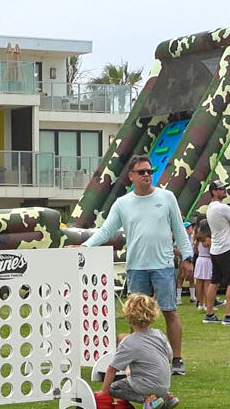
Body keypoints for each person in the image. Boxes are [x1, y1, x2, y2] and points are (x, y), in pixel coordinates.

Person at [81, 153, 192, 376]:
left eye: (149, 172)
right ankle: (137, 360)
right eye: (141, 172)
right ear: (131, 176)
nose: (146, 175)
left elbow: (179, 229)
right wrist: (85, 247)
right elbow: (106, 230)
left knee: (170, 311)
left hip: (163, 266)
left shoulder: (167, 197)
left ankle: (177, 360)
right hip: (137, 267)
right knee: (135, 316)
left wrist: (188, 258)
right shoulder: (122, 204)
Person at [96, 293, 179, 409]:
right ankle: (166, 399)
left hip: (146, 386)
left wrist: (103, 391)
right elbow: (169, 355)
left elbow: (112, 369)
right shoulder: (159, 334)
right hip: (164, 385)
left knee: (113, 388)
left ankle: (148, 401)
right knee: (140, 382)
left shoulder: (129, 342)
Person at [199, 180, 230, 325]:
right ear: (214, 192)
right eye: (221, 189)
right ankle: (229, 315)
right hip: (227, 248)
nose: (224, 191)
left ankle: (209, 314)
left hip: (216, 250)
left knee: (214, 282)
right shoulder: (224, 208)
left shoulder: (210, 209)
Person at [189, 219, 213, 308]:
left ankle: (200, 304)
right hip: (207, 260)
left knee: (199, 283)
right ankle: (207, 304)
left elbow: (196, 250)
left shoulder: (197, 238)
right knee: (207, 283)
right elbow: (211, 251)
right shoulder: (208, 238)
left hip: (199, 260)